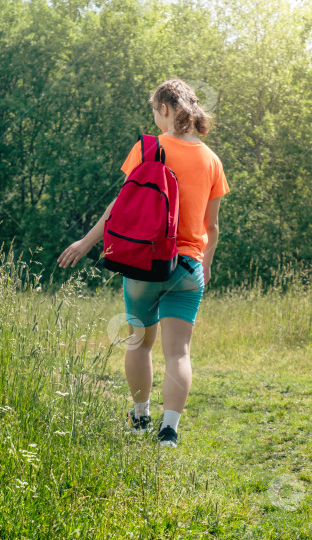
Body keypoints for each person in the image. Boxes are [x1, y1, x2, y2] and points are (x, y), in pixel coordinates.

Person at [57, 79, 229, 448]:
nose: (154, 119)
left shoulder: (148, 148)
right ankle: (170, 431)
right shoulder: (212, 160)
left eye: (154, 111)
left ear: (165, 109)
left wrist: (88, 242)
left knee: (139, 344)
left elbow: (123, 207)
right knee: (178, 352)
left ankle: (140, 418)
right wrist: (206, 265)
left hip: (145, 262)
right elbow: (211, 227)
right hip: (188, 267)